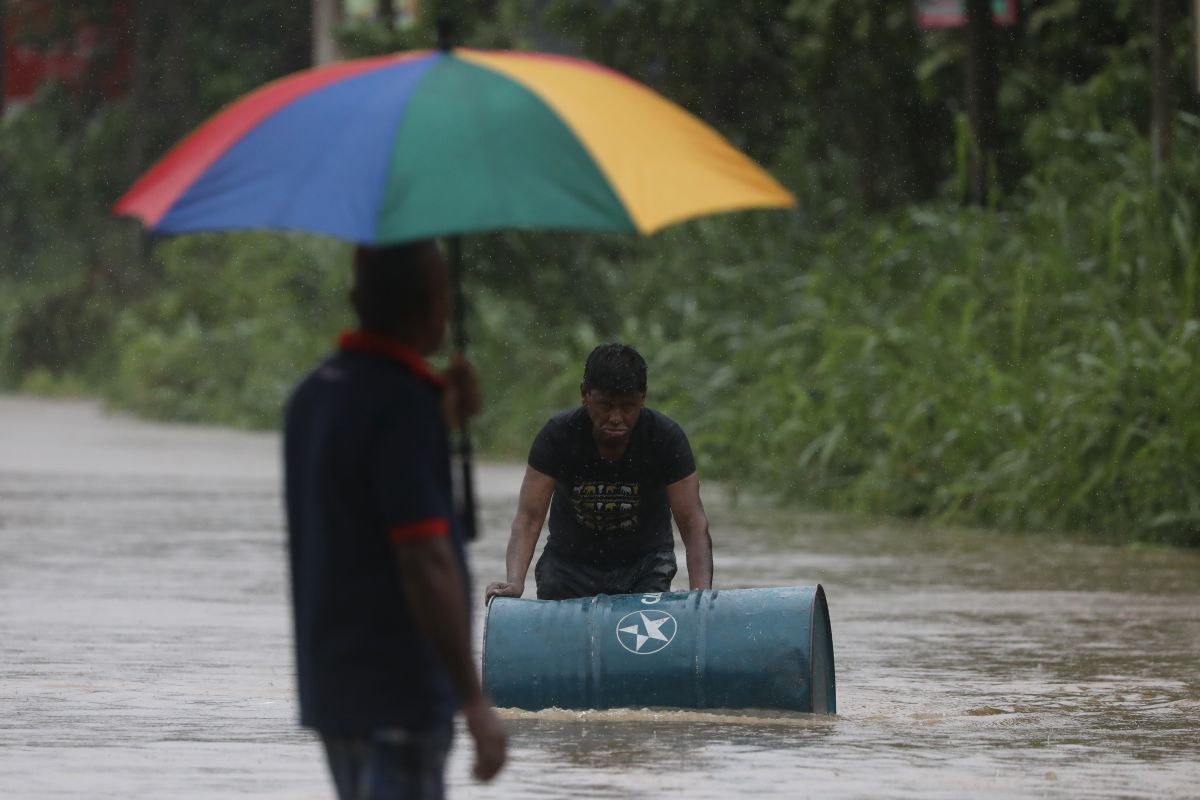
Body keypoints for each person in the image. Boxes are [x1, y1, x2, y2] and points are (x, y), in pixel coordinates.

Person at [284, 240, 506, 800]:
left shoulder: (311, 398)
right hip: (400, 684)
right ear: (435, 309)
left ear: (356, 298)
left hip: (333, 685)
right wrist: (474, 700)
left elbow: (358, 508)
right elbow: (423, 557)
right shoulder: (402, 407)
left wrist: (442, 419)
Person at [484, 344, 713, 602]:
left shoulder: (665, 439)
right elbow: (528, 517)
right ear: (585, 394)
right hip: (570, 565)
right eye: (605, 405)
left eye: (627, 406)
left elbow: (693, 523)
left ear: (643, 398)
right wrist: (515, 582)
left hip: (644, 566)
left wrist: (700, 595)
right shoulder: (557, 436)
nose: (616, 418)